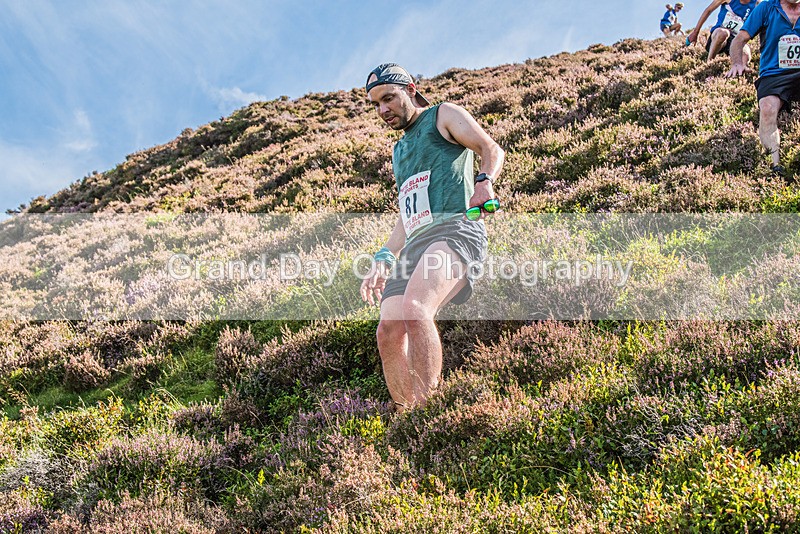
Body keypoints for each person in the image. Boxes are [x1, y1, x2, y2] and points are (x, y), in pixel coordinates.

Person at [360, 63, 504, 412]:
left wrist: (484, 182)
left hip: (456, 230)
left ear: (410, 89)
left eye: (389, 98)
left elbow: (491, 149)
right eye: (376, 104)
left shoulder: (443, 115)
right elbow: (406, 216)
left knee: (415, 308)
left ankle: (429, 412)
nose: (383, 110)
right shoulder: (399, 151)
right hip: (416, 243)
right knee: (388, 332)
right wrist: (383, 256)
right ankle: (406, 416)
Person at [725, 0, 800, 178]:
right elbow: (739, 39)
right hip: (774, 73)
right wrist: (737, 63)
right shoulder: (766, 8)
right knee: (767, 108)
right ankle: (776, 166)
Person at [687, 0, 759, 62]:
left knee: (746, 56)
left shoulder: (757, 4)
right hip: (718, 35)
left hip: (736, 39)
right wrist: (695, 32)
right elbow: (708, 10)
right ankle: (709, 63)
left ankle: (735, 75)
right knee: (723, 33)